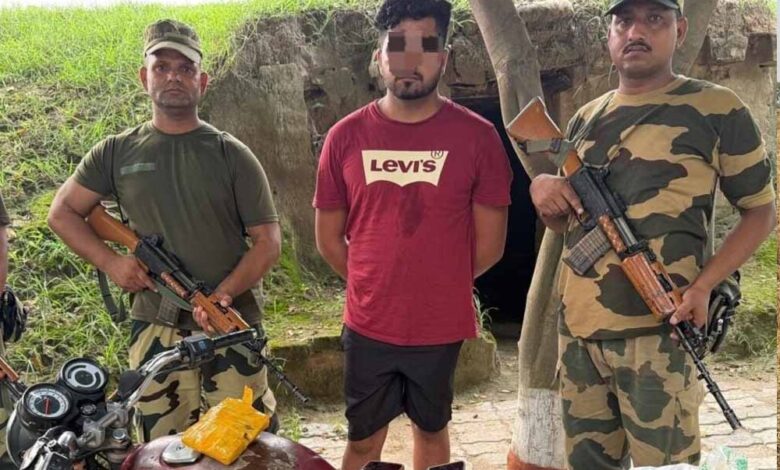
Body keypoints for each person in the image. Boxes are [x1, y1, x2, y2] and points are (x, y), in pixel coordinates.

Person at [528, 0, 776, 468]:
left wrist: (704, 285)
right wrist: (542, 188)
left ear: (679, 30)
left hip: (661, 335)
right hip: (579, 336)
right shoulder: (585, 117)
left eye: (654, 20)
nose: (635, 32)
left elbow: (761, 213)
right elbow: (567, 218)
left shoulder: (717, 108)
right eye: (624, 21)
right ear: (609, 34)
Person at [47, 19, 281, 441]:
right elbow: (62, 213)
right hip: (156, 326)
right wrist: (111, 263)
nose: (174, 76)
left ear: (202, 81)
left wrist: (223, 295)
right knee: (160, 449)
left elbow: (268, 243)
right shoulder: (115, 152)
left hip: (230, 324)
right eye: (162, 66)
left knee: (244, 444)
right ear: (145, 77)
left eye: (186, 68)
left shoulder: (231, 154)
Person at [314, 1, 512, 469]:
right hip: (369, 324)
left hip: (439, 325)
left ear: (444, 57)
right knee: (363, 442)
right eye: (397, 46)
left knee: (431, 431)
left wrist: (435, 285)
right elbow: (328, 240)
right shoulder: (344, 137)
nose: (410, 60)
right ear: (378, 57)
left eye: (426, 45)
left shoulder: (478, 137)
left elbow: (490, 246)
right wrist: (374, 284)